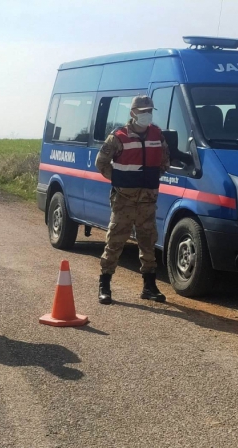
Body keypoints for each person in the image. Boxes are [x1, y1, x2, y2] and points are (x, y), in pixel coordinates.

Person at [95, 95, 170, 305]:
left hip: (147, 199)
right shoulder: (118, 137)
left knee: (148, 242)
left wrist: (150, 179)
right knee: (115, 241)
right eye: (142, 111)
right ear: (132, 113)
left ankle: (149, 286)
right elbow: (101, 163)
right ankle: (105, 285)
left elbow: (165, 161)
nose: (146, 114)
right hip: (124, 199)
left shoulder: (157, 135)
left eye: (149, 110)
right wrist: (120, 179)